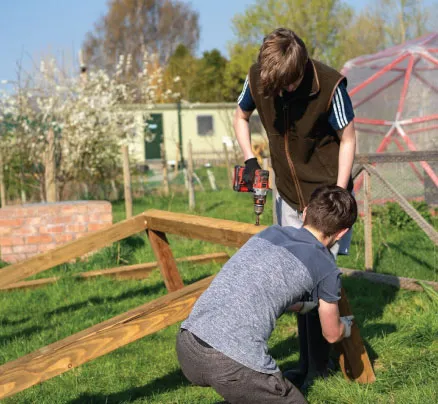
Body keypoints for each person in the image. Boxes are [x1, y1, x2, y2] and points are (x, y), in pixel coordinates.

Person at [233, 27, 357, 388]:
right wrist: (249, 160)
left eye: (288, 85)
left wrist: (340, 189)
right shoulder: (260, 77)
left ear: (301, 69)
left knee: (319, 283)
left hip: (323, 198)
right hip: (287, 193)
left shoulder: (330, 85)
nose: (284, 92)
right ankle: (307, 364)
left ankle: (318, 368)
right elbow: (240, 116)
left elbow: (348, 136)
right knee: (295, 282)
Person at [176, 185, 357, 404]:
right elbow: (330, 334)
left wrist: (304, 306)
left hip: (188, 343)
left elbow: (259, 286)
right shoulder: (326, 267)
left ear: (306, 211)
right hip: (229, 359)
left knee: (242, 391)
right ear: (342, 232)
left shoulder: (271, 233)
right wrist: (345, 327)